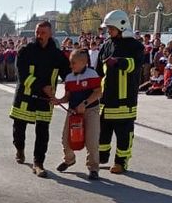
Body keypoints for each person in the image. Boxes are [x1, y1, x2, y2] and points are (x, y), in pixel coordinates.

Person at [9, 21, 71, 178]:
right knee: (19, 129)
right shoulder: (25, 51)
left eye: (43, 33)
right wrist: (42, 86)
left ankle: (38, 163)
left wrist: (80, 80)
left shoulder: (57, 55)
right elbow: (22, 76)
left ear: (50, 34)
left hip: (45, 100)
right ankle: (20, 149)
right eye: (37, 32)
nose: (39, 36)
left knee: (42, 132)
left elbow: (68, 74)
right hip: (25, 97)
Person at [96, 10, 144, 174]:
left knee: (124, 135)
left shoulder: (135, 46)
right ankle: (101, 157)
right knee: (103, 133)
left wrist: (118, 62)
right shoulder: (106, 45)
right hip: (106, 100)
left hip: (125, 101)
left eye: (111, 28)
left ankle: (121, 162)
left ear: (121, 26)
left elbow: (135, 65)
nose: (108, 31)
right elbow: (98, 71)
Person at [52, 50, 103, 180]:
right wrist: (59, 100)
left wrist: (84, 104)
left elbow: (98, 93)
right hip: (73, 112)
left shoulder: (92, 74)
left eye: (73, 63)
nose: (71, 65)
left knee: (91, 141)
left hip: (91, 111)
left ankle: (93, 168)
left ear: (83, 62)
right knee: (66, 139)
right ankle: (69, 160)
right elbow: (67, 96)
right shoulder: (69, 78)